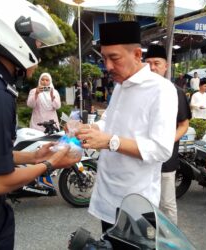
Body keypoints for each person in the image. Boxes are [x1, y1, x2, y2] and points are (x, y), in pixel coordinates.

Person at [0, 1, 81, 249]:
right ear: (10, 35)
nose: (38, 47)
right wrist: (49, 163)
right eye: (34, 39)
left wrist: (31, 157)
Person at [76, 21, 178, 236]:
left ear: (137, 54)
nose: (108, 66)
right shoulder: (121, 85)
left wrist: (110, 141)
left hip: (135, 202)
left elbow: (161, 149)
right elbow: (111, 122)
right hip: (108, 192)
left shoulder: (162, 90)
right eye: (104, 58)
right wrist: (94, 128)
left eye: (114, 58)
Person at [144, 44, 191, 225]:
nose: (152, 67)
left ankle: (171, 242)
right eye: (148, 63)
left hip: (166, 159)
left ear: (165, 66)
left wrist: (166, 142)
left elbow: (184, 125)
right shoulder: (140, 91)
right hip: (142, 158)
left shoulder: (176, 92)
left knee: (167, 204)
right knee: (145, 203)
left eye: (157, 63)